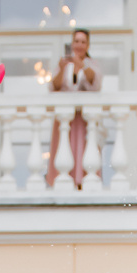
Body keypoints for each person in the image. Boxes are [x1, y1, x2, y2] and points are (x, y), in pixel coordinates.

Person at [49, 29, 100, 188]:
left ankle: (82, 182)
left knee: (84, 150)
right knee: (64, 149)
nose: (79, 45)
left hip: (84, 119)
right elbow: (54, 86)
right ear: (72, 43)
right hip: (66, 119)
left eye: (83, 41)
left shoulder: (92, 65)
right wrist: (63, 67)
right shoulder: (64, 64)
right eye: (76, 41)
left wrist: (80, 63)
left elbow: (95, 82)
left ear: (88, 45)